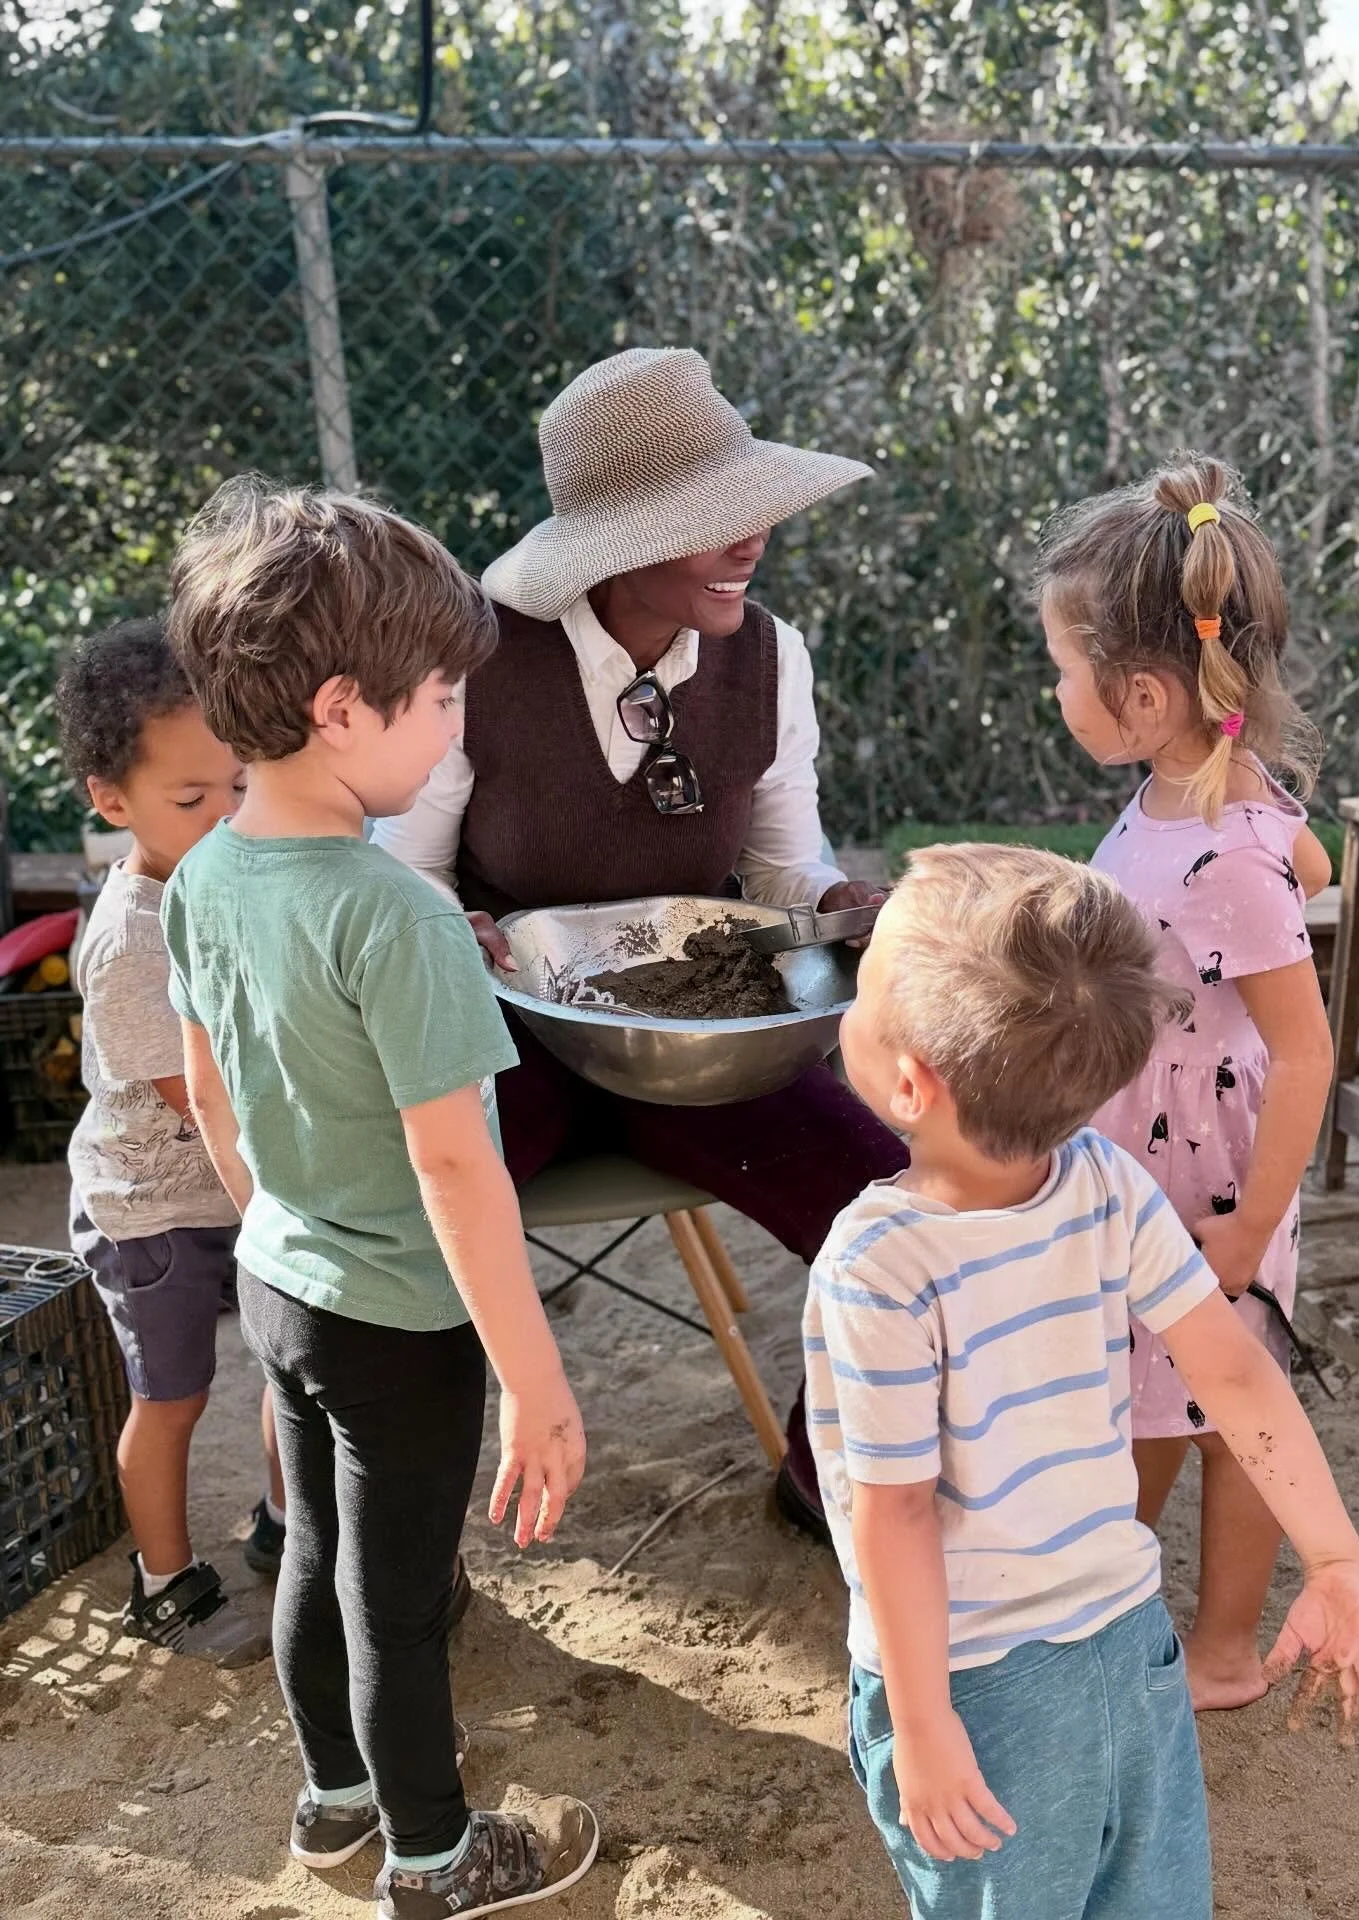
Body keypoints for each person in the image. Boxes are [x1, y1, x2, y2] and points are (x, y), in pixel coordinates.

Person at [371, 345, 907, 1541]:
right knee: (408, 1240)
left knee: (893, 1209)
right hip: (511, 1027)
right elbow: (406, 863)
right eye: (711, 518)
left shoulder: (769, 656)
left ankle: (830, 1484)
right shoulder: (480, 661)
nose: (751, 539)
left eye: (752, 509)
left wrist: (841, 904)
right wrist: (445, 927)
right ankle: (389, 1537)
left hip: (711, 1039)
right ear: (613, 544)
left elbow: (782, 865)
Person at [162, 479, 598, 1918]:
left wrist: (277, 1219)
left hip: (282, 1285)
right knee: (397, 1601)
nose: (459, 725)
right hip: (404, 1323)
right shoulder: (391, 910)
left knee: (313, 1555)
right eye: (441, 701)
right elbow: (456, 1164)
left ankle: (337, 1802)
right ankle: (435, 1856)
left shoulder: (202, 873)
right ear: (344, 707)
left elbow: (210, 1090)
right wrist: (532, 1378)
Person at [806, 843, 1359, 1920]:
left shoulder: (874, 1263)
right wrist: (1335, 1557)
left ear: (907, 1079)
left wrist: (925, 1723)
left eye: (861, 984)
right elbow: (1241, 1381)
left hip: (977, 1682)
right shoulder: (1109, 1183)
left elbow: (894, 1514)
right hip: (1130, 1646)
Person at [1037, 455, 1336, 1710]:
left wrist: (1249, 1232)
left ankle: (1214, 1650)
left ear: (1146, 691)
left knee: (1208, 1411)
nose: (1054, 691)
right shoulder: (1197, 796)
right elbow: (1309, 860)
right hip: (1164, 1165)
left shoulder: (1220, 844)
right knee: (1171, 1400)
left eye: (1063, 668)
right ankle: (1150, 1623)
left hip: (1212, 1192)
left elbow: (1307, 1047)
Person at [57, 619, 278, 1666]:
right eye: (193, 801)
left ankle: (287, 1533)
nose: (226, 816)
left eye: (239, 785)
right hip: (153, 1204)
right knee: (175, 1395)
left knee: (293, 1363)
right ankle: (163, 1582)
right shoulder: (129, 942)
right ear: (112, 801)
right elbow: (203, 1096)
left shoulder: (231, 875)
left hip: (241, 1183)